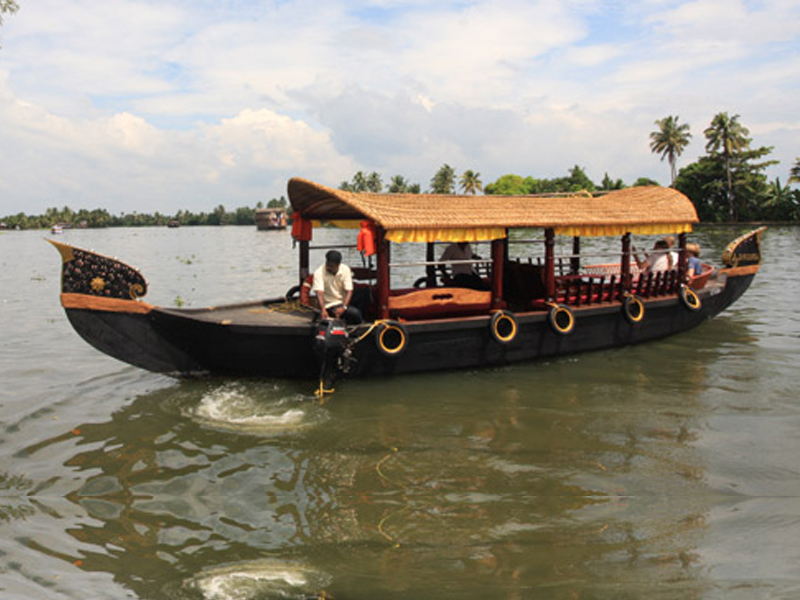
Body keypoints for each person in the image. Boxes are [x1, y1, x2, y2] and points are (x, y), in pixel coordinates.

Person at [312, 250, 362, 324]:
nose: (329, 267)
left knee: (364, 293)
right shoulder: (319, 273)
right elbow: (319, 293)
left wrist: (344, 307)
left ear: (338, 265)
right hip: (329, 305)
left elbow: (349, 291)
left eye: (332, 266)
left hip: (342, 303)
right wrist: (323, 310)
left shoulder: (345, 269)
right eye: (328, 265)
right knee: (355, 314)